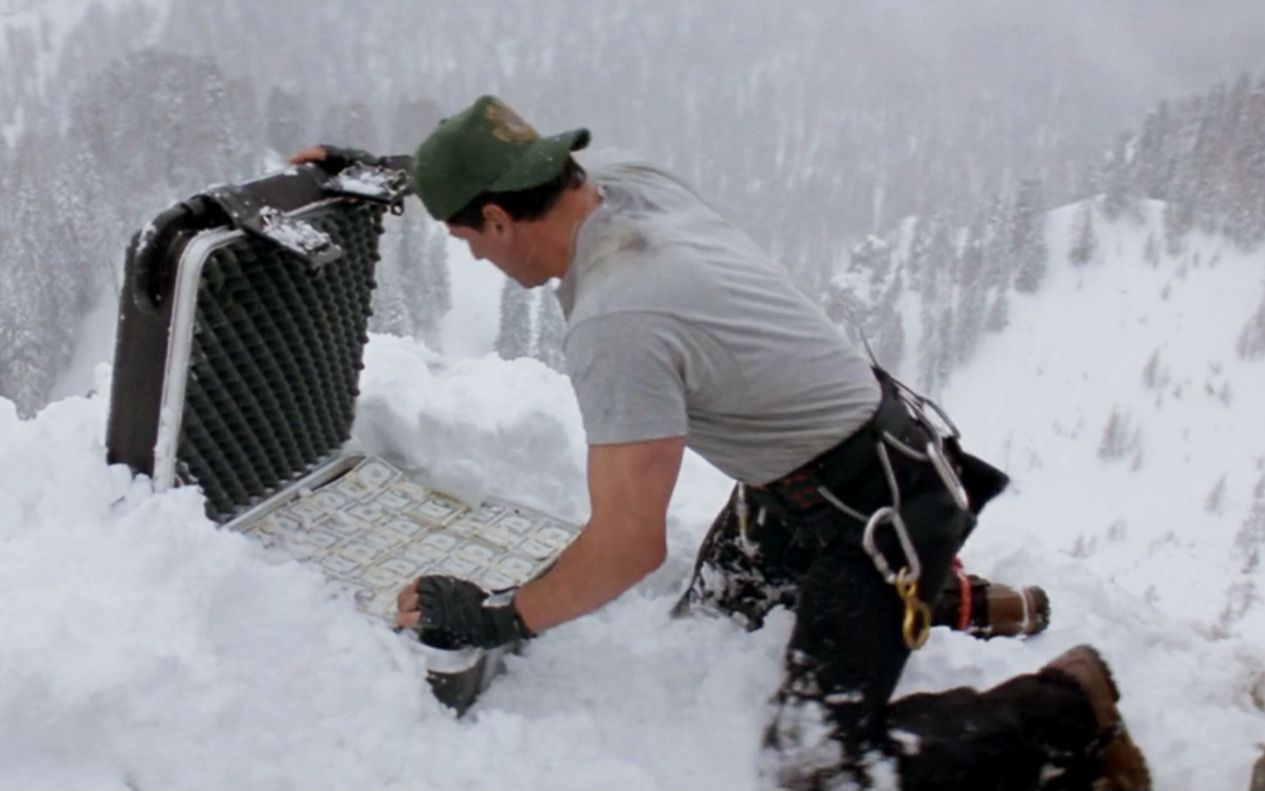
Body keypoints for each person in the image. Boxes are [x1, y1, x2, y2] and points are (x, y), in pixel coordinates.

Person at [292, 95, 1146, 790]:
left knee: (816, 770)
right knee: (710, 628)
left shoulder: (617, 319)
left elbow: (627, 545)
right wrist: (394, 174)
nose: (474, 258)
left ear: (497, 218)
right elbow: (494, 176)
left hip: (877, 511)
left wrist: (496, 613)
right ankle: (945, 599)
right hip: (815, 474)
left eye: (466, 237)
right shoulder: (612, 182)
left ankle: (1066, 703)